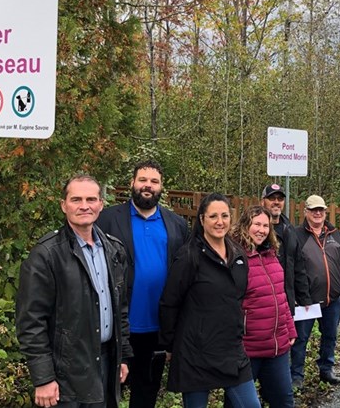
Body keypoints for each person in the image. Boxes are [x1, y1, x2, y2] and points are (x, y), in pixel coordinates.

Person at [16, 174, 132, 408]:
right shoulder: (47, 255)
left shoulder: (114, 250)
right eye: (76, 199)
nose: (84, 206)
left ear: (101, 204)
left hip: (105, 362)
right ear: (63, 205)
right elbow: (31, 321)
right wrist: (43, 377)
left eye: (91, 199)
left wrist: (122, 356)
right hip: (65, 372)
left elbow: (120, 309)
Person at [96, 160, 189, 408]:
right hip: (118, 327)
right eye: (143, 180)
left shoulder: (177, 225)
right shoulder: (107, 220)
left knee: (146, 394)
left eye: (154, 181)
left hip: (156, 328)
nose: (148, 186)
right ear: (132, 184)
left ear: (161, 187)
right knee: (108, 394)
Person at [158, 193, 260, 408]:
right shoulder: (188, 256)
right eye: (213, 216)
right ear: (202, 219)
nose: (219, 221)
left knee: (250, 405)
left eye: (224, 215)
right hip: (195, 352)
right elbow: (169, 303)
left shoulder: (238, 254)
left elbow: (238, 298)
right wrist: (168, 344)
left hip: (231, 349)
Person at [230, 205, 297, 408]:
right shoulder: (235, 257)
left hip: (277, 347)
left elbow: (280, 296)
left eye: (266, 225)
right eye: (256, 224)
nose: (262, 230)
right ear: (245, 225)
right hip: (247, 348)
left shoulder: (271, 255)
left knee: (284, 401)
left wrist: (290, 329)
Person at [288, 195, 340, 388]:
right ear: (306, 212)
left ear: (325, 212)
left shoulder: (336, 235)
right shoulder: (296, 235)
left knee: (330, 335)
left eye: (321, 210)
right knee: (301, 339)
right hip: (307, 301)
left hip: (332, 300)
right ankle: (296, 375)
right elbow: (291, 267)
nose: (317, 213)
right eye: (313, 210)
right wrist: (302, 296)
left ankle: (326, 369)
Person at [261, 183, 311, 315]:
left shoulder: (289, 229)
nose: (276, 202)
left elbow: (298, 266)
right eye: (272, 198)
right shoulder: (258, 231)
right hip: (263, 301)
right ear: (262, 201)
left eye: (280, 199)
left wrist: (304, 297)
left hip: (286, 300)